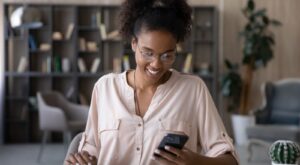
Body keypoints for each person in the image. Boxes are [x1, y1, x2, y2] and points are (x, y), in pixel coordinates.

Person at [65, 0, 238, 164]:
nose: (156, 64)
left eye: (167, 55)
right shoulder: (105, 88)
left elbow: (230, 160)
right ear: (134, 44)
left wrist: (195, 162)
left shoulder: (193, 90)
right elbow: (90, 150)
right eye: (147, 53)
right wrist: (85, 161)